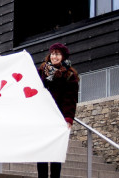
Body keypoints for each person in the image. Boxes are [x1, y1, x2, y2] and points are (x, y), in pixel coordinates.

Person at [36, 43, 79, 178]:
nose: (55, 56)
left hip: (58, 117)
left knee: (55, 152)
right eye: (53, 53)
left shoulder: (69, 75)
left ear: (63, 56)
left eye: (58, 54)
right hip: (43, 115)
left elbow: (70, 99)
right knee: (42, 151)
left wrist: (68, 119)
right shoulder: (42, 71)